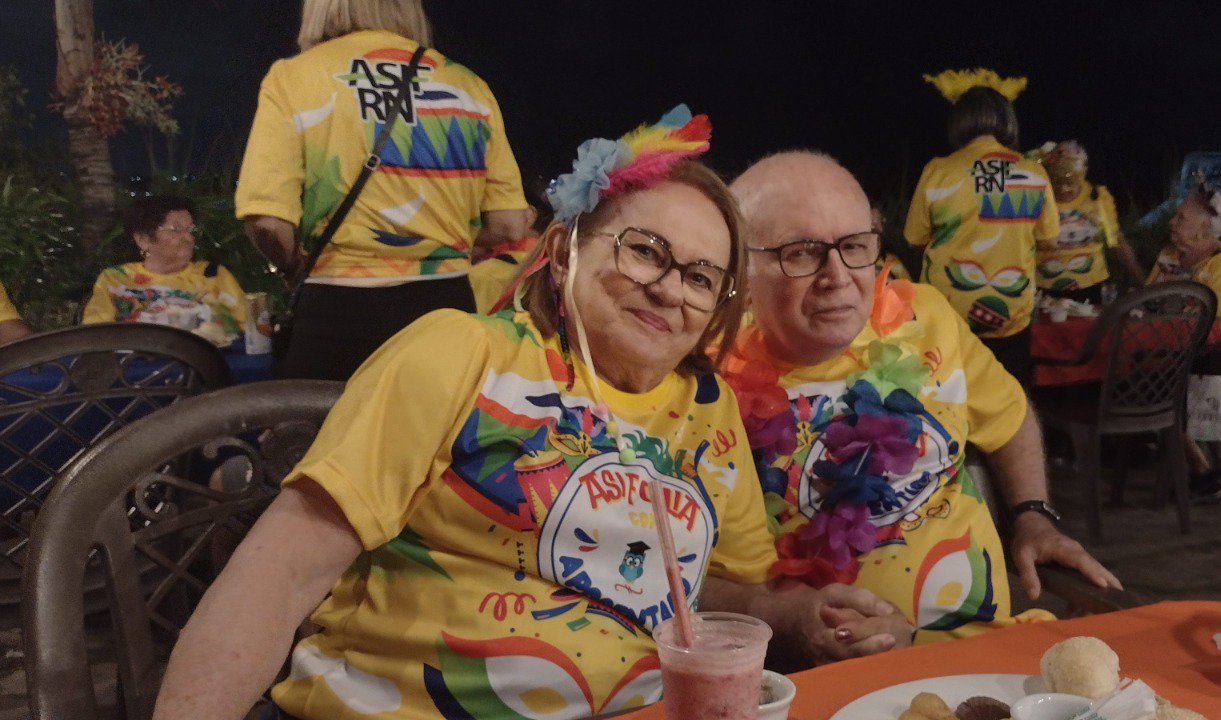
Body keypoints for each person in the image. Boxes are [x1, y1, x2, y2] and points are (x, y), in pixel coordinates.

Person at [154, 109, 899, 720]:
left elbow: (714, 593)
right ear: (567, 249)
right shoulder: (465, 355)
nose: (672, 289)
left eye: (703, 278)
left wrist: (795, 617)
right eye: (646, 252)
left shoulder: (708, 411)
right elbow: (280, 574)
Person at [727, 151, 1120, 647]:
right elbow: (693, 579)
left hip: (984, 647)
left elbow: (1011, 416)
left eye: (854, 246)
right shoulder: (708, 384)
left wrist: (1033, 516)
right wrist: (791, 621)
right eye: (801, 253)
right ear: (740, 271)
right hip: (828, 668)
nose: (838, 275)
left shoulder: (927, 318)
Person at [236, 0, 529, 380]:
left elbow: (268, 222)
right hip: (445, 310)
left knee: (324, 418)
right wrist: (440, 240)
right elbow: (509, 225)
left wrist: (293, 267)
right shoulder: (468, 86)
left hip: (336, 311)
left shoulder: (295, 77)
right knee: (437, 418)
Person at [906, 69, 1059, 388]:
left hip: (948, 314)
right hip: (1011, 315)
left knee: (949, 399)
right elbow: (1049, 240)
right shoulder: (1034, 174)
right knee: (1010, 396)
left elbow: (915, 239)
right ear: (1007, 121)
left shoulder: (938, 171)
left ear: (958, 122)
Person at [1148, 184, 1221, 501]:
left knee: (1165, 385)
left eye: (1181, 218)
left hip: (1205, 354)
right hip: (1166, 350)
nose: (1171, 223)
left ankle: (1208, 471)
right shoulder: (1168, 256)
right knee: (1161, 376)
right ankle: (1217, 469)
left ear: (1205, 227)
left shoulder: (1220, 262)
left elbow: (1219, 323)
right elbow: (1145, 300)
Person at [82, 195, 250, 346]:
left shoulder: (212, 275)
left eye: (191, 230)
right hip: (136, 367)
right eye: (176, 230)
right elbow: (95, 333)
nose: (188, 238)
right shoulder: (116, 279)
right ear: (143, 240)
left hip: (208, 365)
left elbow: (248, 328)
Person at [1031, 141, 1144, 301]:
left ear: (1083, 172)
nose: (1064, 190)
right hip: (1045, 289)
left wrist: (1143, 282)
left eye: (1070, 182)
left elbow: (1116, 242)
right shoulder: (1037, 198)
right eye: (1057, 182)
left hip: (1091, 287)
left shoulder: (1096, 198)